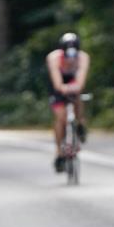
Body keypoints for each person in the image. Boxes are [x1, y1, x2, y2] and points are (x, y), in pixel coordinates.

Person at [46, 32, 90, 173]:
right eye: (67, 56)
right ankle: (59, 152)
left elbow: (81, 80)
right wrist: (62, 88)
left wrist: (76, 87)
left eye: (74, 56)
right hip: (58, 86)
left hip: (73, 82)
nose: (71, 60)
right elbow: (57, 82)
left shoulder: (83, 58)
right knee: (61, 118)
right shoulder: (53, 58)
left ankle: (81, 124)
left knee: (77, 98)